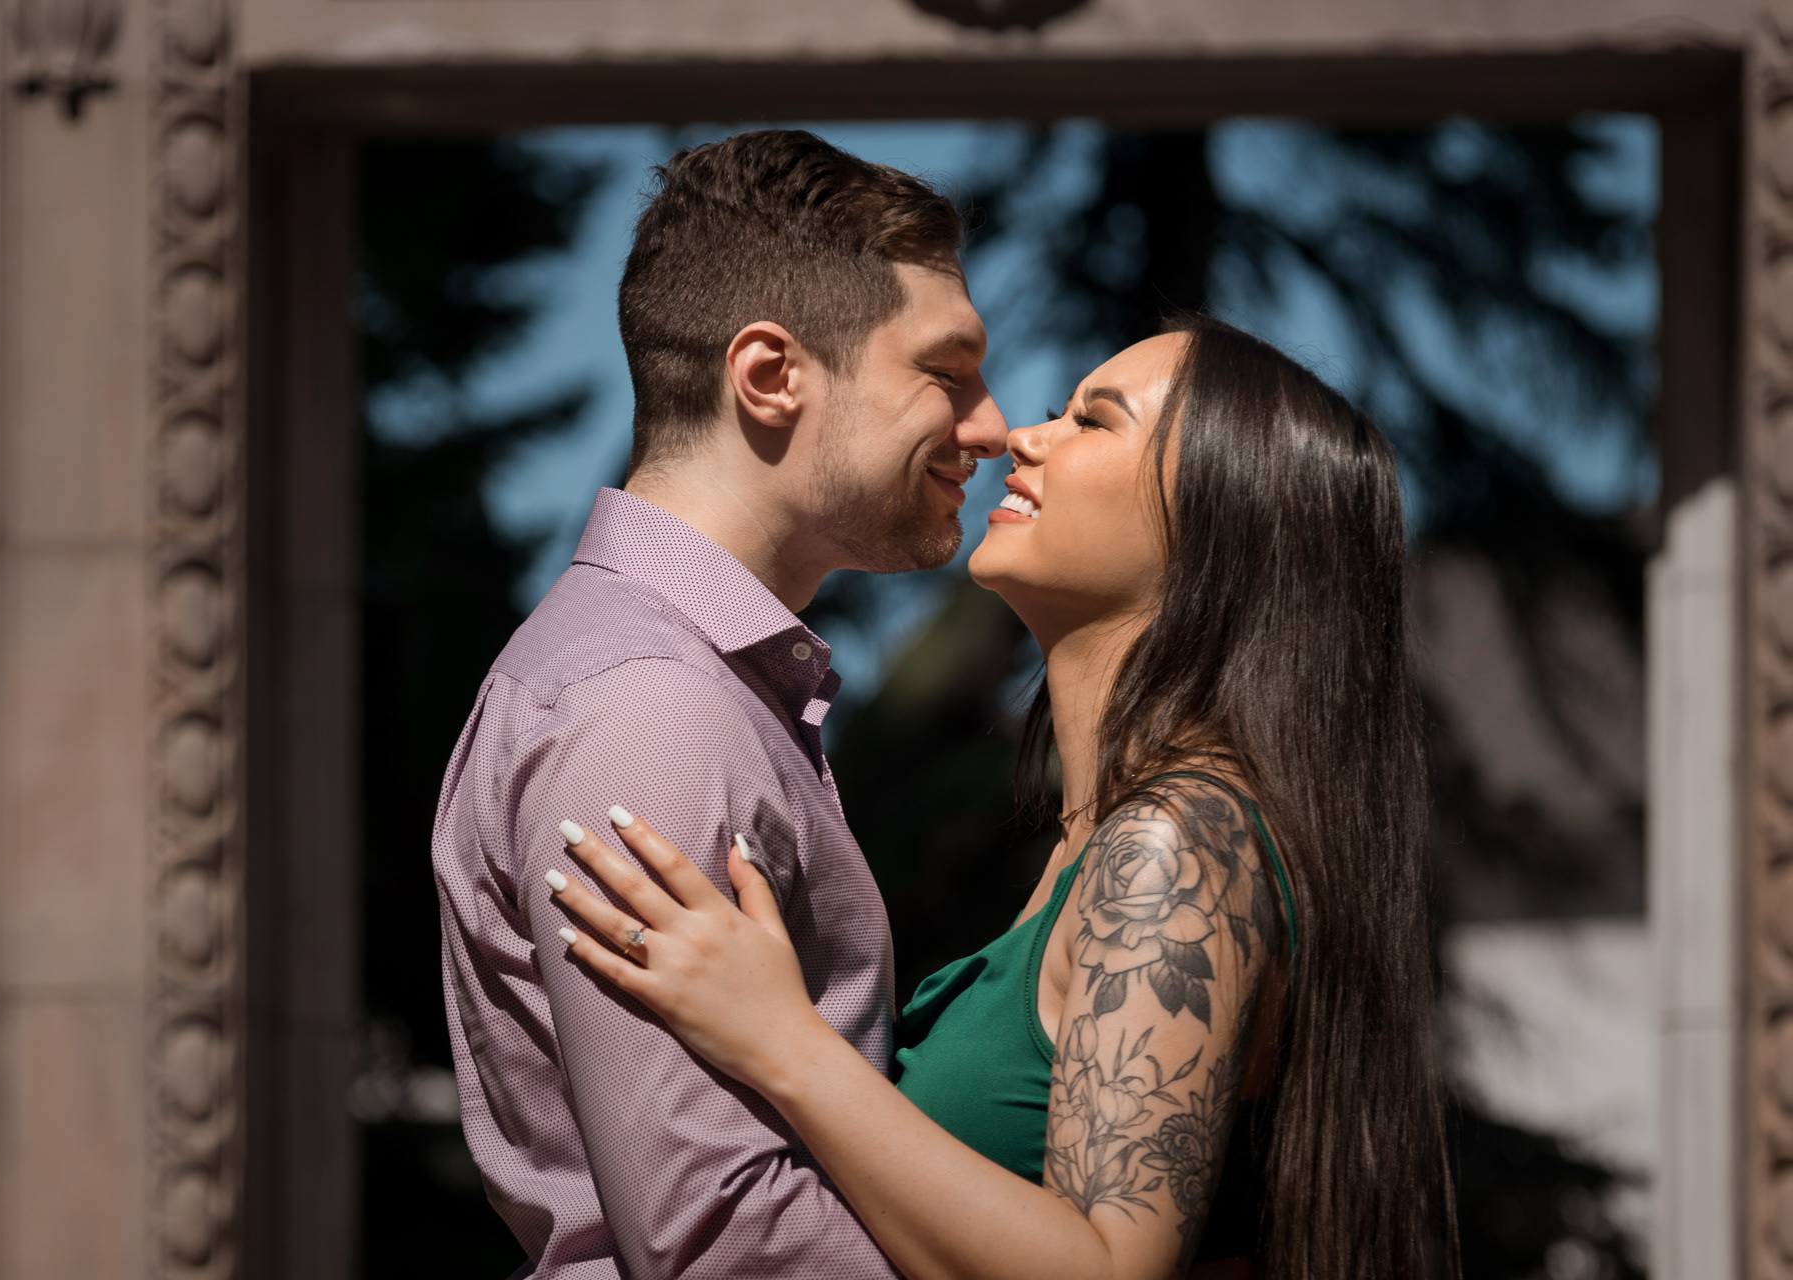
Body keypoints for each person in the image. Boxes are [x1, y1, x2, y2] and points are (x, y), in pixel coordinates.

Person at [544, 316, 1457, 1279]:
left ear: (1222, 522)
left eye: (1093, 422)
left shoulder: (1173, 848)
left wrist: (782, 1042)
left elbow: (1110, 1270)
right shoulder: (1111, 844)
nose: (1023, 436)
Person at [431, 128, 1006, 1278]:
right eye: (946, 372)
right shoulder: (649, 707)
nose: (990, 427)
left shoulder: (687, 682)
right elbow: (720, 1240)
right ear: (771, 375)